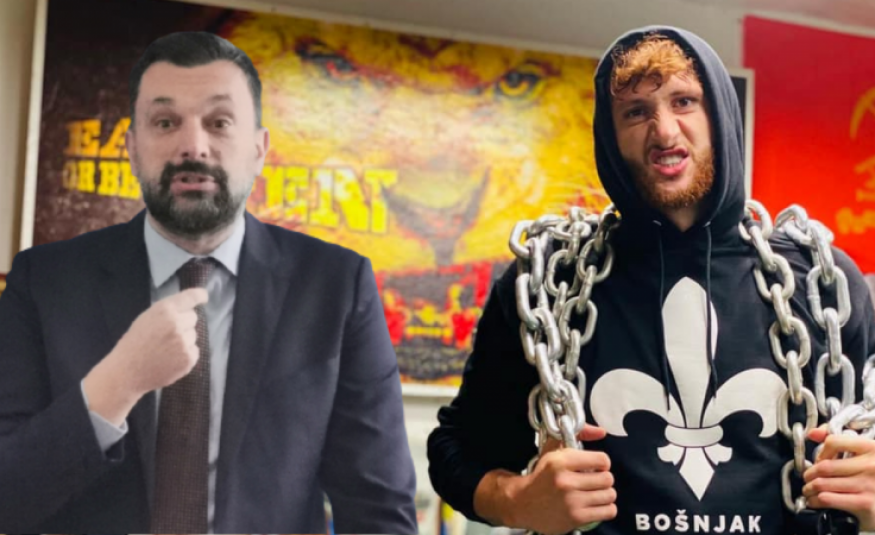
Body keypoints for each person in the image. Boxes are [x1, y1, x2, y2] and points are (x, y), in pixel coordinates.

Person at [427, 26, 875, 535]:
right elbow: (456, 451)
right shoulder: (549, 285)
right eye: (636, 112)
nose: (664, 132)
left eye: (684, 102)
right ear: (610, 136)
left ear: (720, 115)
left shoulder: (822, 283)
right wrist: (519, 501)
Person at [0, 31, 418, 534]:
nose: (192, 146)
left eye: (219, 122)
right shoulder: (43, 282)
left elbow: (378, 508)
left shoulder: (336, 286)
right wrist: (116, 383)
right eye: (165, 122)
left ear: (259, 149)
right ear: (132, 149)